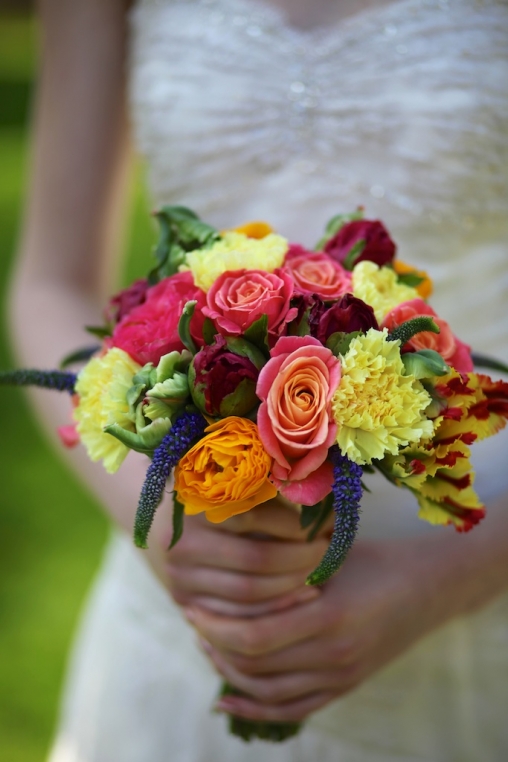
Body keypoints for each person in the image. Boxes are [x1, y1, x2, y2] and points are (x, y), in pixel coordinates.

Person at [10, 0, 508, 760]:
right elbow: (51, 283)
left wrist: (438, 586)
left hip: (475, 550)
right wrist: (163, 531)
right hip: (194, 584)